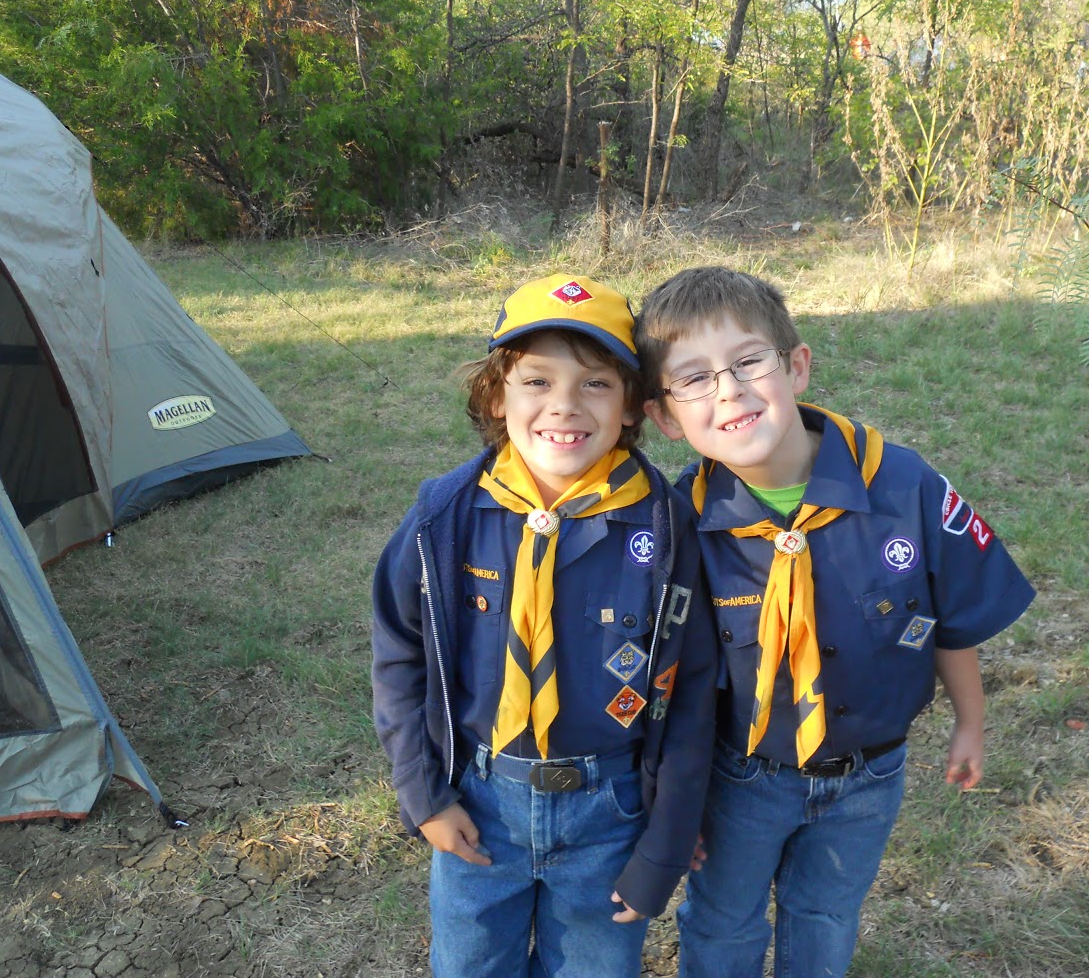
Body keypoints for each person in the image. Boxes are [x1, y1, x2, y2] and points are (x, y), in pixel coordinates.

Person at [635, 266, 1035, 978]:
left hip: (869, 776)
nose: (728, 390)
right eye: (692, 379)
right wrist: (673, 801)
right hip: (741, 778)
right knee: (723, 922)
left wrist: (970, 723)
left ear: (796, 367)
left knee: (825, 917)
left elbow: (951, 617)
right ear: (665, 418)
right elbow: (666, 679)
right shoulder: (678, 526)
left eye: (749, 361)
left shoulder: (905, 485)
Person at [371, 273, 716, 978]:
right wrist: (424, 795)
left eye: (596, 384)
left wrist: (666, 842)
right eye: (537, 381)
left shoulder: (666, 525)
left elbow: (693, 690)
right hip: (478, 803)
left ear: (632, 405)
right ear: (496, 395)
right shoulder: (444, 515)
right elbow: (399, 654)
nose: (564, 405)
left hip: (611, 813)